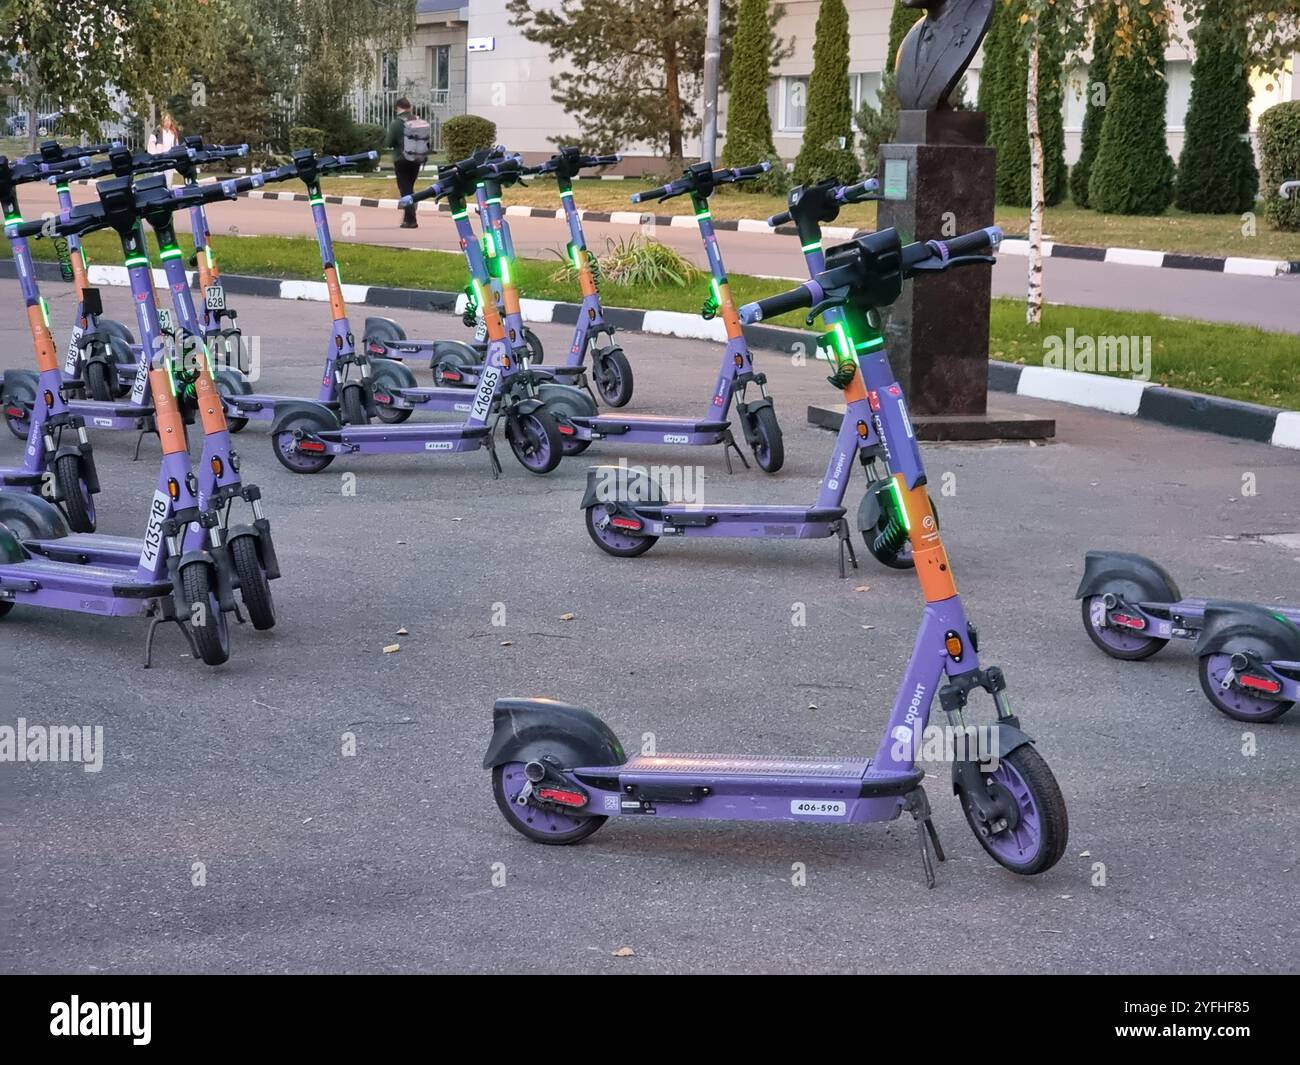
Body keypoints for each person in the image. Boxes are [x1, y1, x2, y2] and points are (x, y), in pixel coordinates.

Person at [385, 97, 430, 229]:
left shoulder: (396, 123)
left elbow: (388, 142)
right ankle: (407, 218)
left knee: (405, 190)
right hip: (416, 160)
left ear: (397, 108)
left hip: (401, 160)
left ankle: (411, 220)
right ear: (409, 107)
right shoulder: (418, 121)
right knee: (409, 188)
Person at [147, 112, 181, 185]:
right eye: (165, 120)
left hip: (169, 159)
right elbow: (151, 144)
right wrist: (155, 156)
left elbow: (176, 146)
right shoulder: (157, 131)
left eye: (169, 120)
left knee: (168, 182)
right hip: (159, 159)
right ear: (162, 122)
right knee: (158, 180)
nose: (167, 123)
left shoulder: (173, 133)